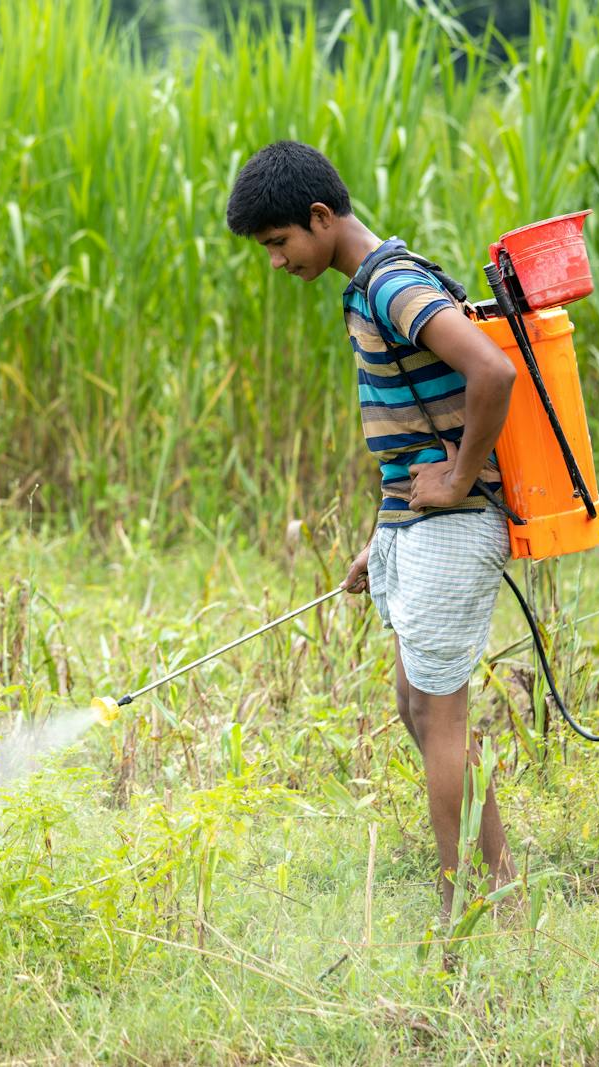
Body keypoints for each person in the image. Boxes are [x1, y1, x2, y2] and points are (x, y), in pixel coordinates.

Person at [226, 140, 518, 921]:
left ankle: (462, 915)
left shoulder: (391, 282)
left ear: (320, 218)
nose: (278, 262)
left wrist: (458, 480)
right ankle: (502, 884)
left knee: (441, 712)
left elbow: (494, 373)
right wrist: (383, 536)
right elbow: (417, 426)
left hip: (456, 525)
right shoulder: (368, 285)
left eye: (280, 243)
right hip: (419, 526)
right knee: (415, 705)